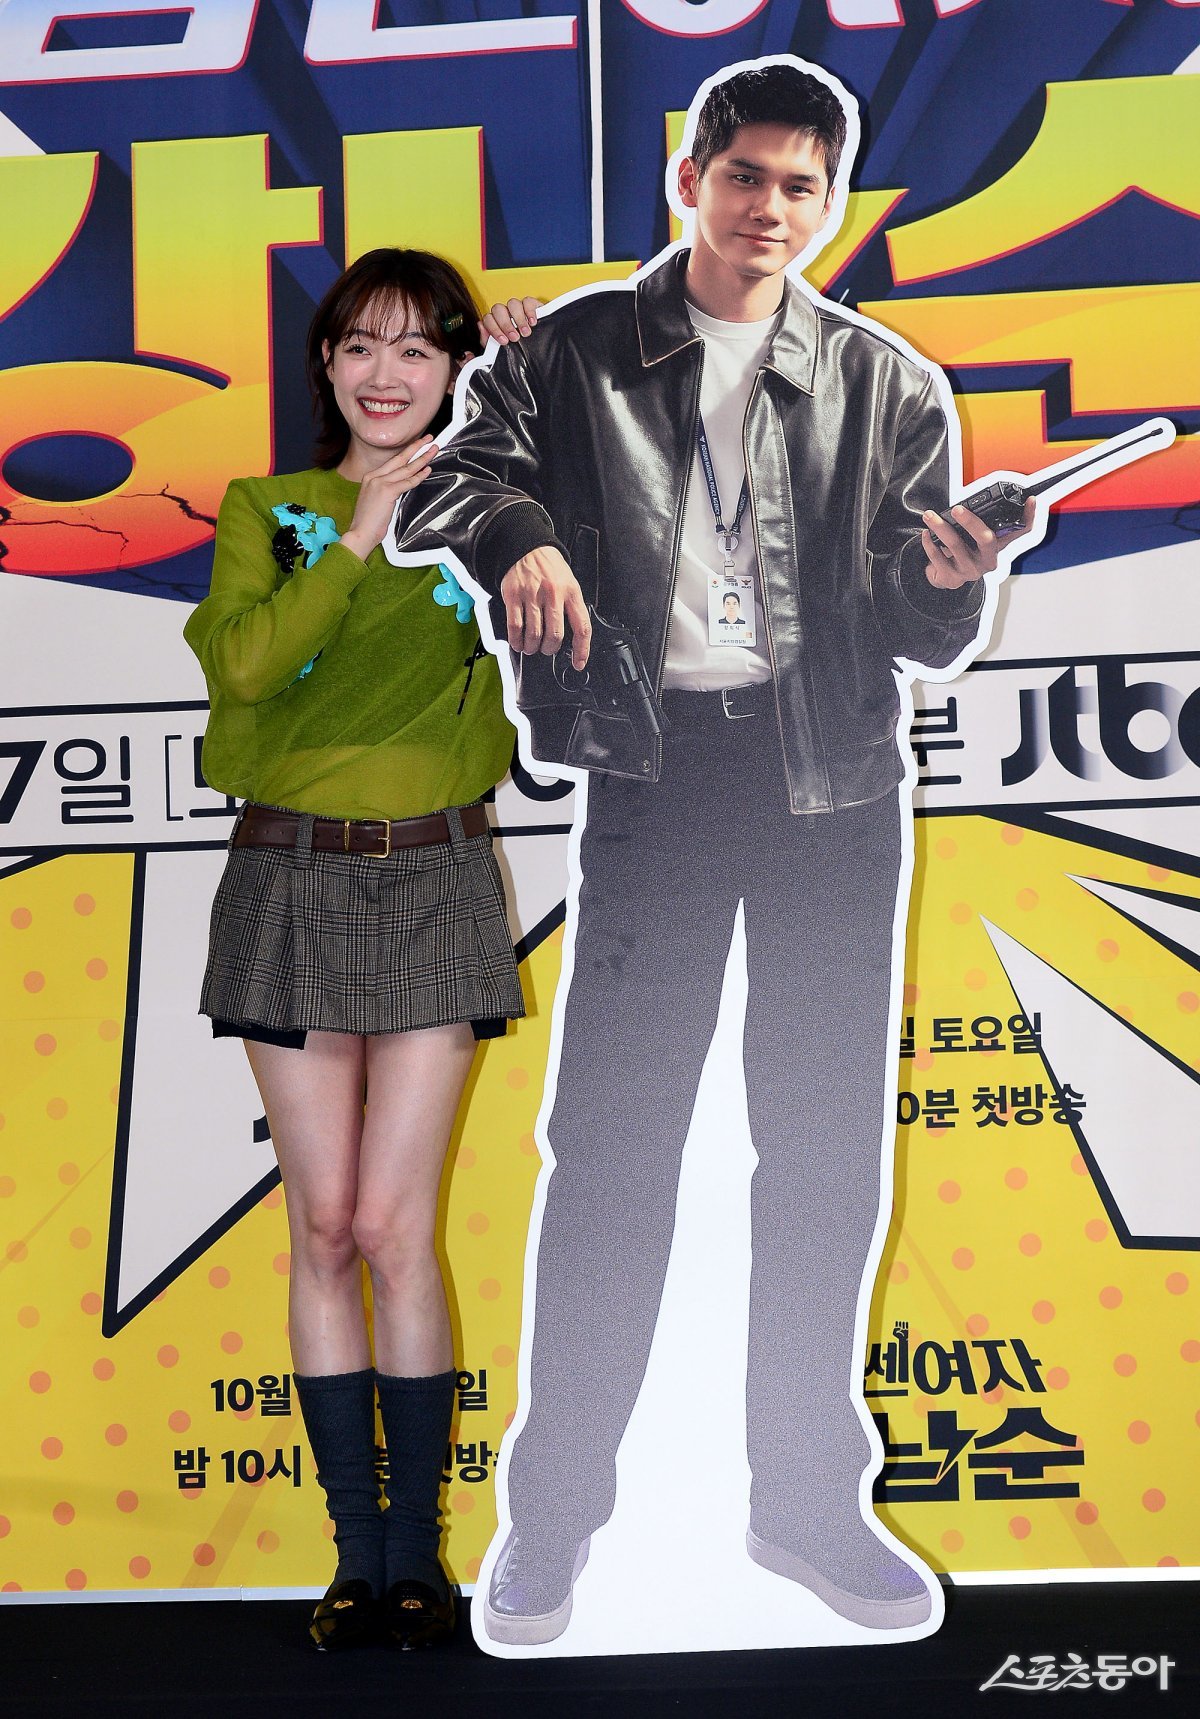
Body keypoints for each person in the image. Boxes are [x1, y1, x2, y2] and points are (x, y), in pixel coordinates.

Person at [394, 61, 1035, 1646]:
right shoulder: (578, 349)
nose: (771, 208)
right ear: (691, 180)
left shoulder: (886, 384)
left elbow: (909, 621)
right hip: (657, 777)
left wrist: (952, 574)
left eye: (801, 185)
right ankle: (552, 1520)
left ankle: (805, 1505)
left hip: (831, 792)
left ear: (830, 203)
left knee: (821, 1155)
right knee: (613, 1153)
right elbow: (453, 483)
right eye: (744, 175)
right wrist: (521, 539)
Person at [184, 249, 536, 1653]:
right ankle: (353, 1557)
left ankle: (420, 1558)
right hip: (288, 878)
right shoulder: (269, 511)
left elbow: (621, 519)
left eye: (418, 350)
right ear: (325, 365)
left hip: (438, 873)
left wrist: (534, 373)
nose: (386, 376)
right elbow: (246, 666)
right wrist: (360, 528)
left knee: (396, 1227)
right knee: (323, 1226)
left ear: (452, 369)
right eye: (358, 347)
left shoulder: (495, 502)